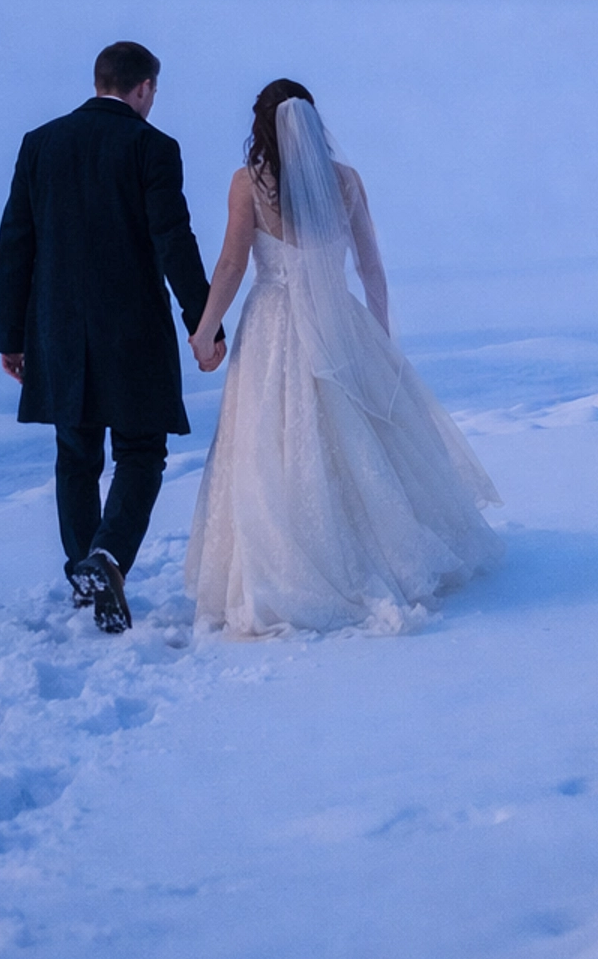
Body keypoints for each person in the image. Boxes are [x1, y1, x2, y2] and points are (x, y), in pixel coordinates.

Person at [185, 79, 502, 637]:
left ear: (261, 126)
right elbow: (370, 267)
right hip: (339, 322)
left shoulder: (248, 185)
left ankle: (289, 561)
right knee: (351, 441)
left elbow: (233, 265)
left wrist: (205, 328)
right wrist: (377, 335)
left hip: (273, 326)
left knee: (274, 444)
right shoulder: (346, 182)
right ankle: (374, 549)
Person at [0, 41, 223, 633]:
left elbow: (15, 243)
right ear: (144, 87)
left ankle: (85, 571)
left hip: (58, 331)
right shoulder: (153, 147)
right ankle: (108, 559)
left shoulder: (39, 143)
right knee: (141, 452)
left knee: (75, 455)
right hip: (132, 334)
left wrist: (10, 336)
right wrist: (204, 324)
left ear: (100, 82)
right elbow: (174, 238)